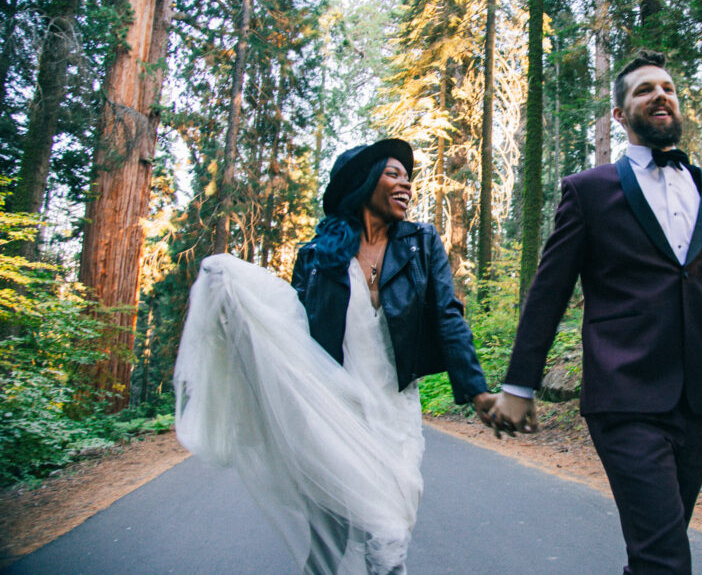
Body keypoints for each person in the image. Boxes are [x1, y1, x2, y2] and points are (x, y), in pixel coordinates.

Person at [487, 51, 702, 574]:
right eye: (644, 90)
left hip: (696, 398)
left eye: (669, 88)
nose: (660, 96)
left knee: (659, 549)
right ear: (619, 114)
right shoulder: (587, 191)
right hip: (624, 393)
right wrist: (519, 387)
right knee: (665, 560)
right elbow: (549, 292)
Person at [175, 138, 495, 575]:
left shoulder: (421, 243)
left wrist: (476, 390)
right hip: (332, 411)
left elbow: (447, 316)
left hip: (393, 411)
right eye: (393, 174)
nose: (407, 185)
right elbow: (294, 328)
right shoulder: (316, 257)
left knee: (389, 530)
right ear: (363, 183)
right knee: (330, 536)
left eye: (409, 177)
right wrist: (235, 300)